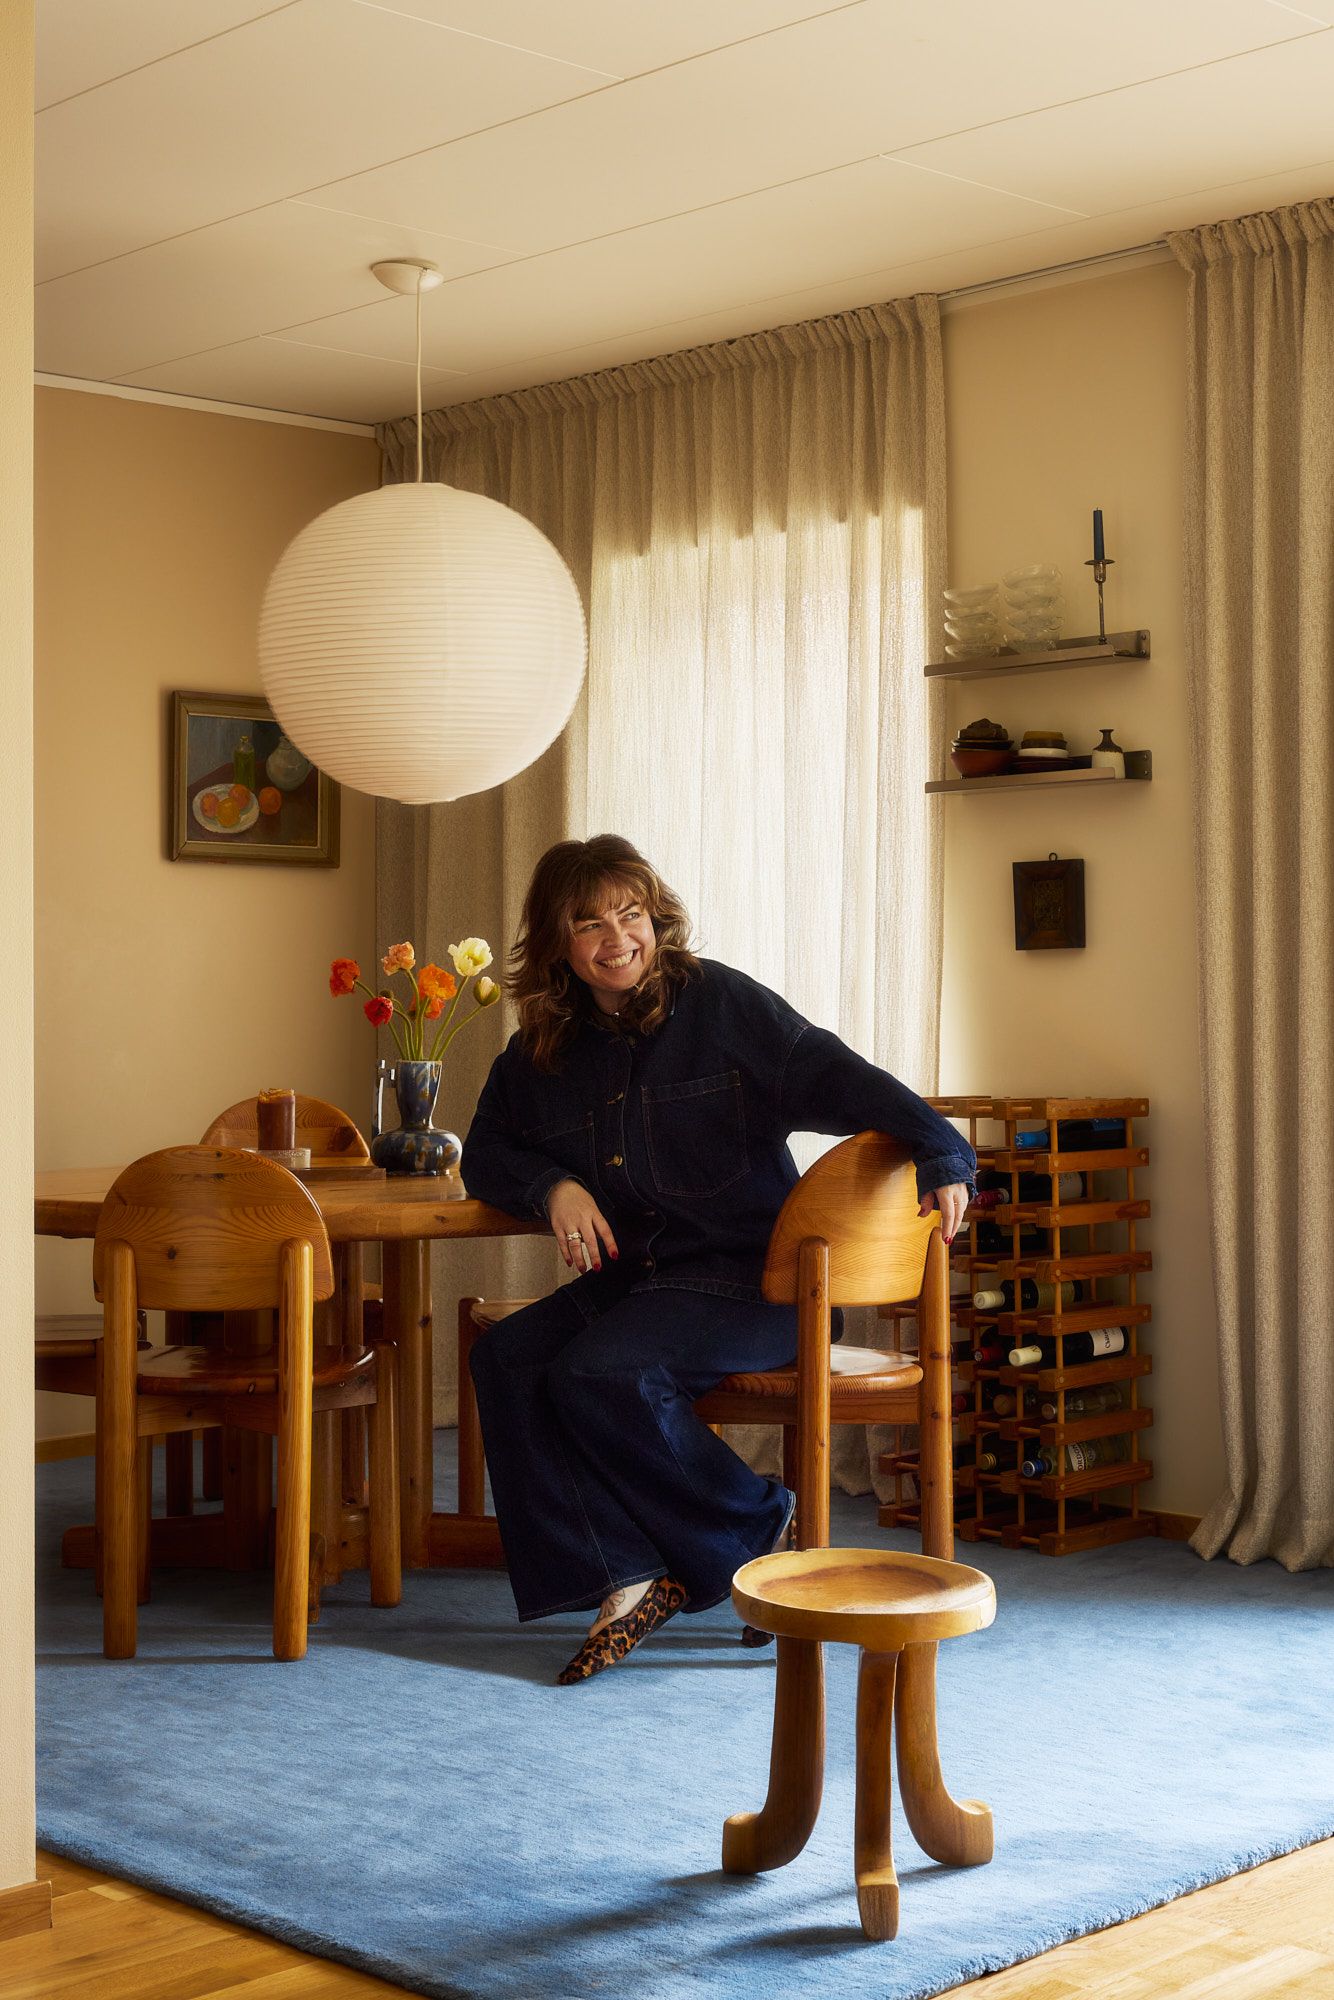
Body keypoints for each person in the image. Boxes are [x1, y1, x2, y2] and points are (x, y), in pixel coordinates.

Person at [462, 836, 975, 1684]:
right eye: (589, 924)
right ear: (557, 944)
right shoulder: (541, 1050)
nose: (617, 939)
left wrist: (942, 1149)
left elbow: (839, 1075)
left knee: (602, 1373)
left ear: (655, 917)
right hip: (640, 1281)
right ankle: (627, 1571)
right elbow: (486, 1152)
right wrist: (552, 1185)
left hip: (752, 1283)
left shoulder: (722, 1005)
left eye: (630, 914)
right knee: (508, 1357)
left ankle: (752, 1525)